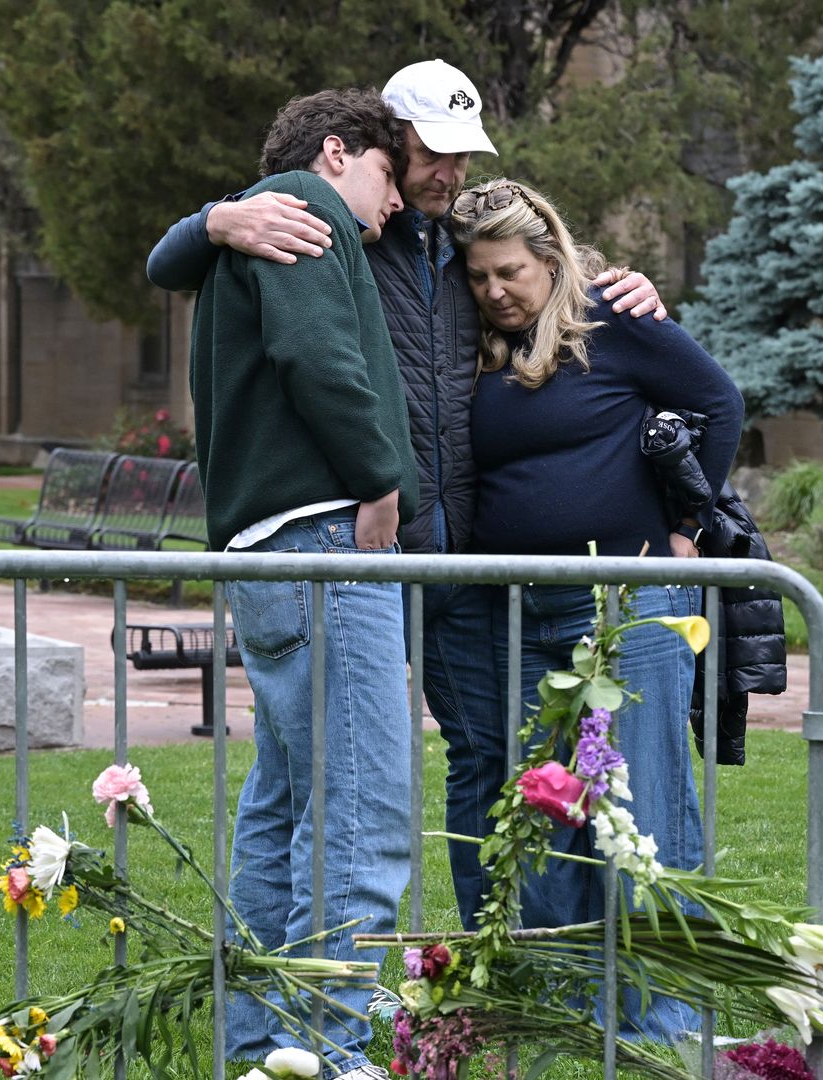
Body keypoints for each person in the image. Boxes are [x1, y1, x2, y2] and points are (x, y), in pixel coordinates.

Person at [147, 59, 669, 930]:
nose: (450, 175)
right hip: (367, 537)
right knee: (363, 782)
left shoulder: (456, 237)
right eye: (431, 156)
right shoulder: (334, 220)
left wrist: (630, 286)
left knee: (494, 756)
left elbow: (543, 276)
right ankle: (343, 1013)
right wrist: (215, 217)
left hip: (461, 546)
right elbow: (177, 266)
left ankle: (506, 953)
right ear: (383, 145)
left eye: (465, 157)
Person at [445, 177, 744, 1040]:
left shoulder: (617, 319)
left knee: (641, 801)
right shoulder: (469, 343)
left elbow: (719, 402)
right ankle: (564, 1006)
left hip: (626, 603)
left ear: (550, 259)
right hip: (515, 611)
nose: (495, 291)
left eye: (510, 272)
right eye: (479, 277)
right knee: (542, 804)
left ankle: (660, 1017)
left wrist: (688, 523)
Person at [186, 86, 413, 1080]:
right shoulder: (304, 212)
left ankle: (261, 1056)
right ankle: (325, 1056)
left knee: (285, 813)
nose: (397, 199)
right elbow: (317, 356)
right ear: (337, 151)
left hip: (267, 552)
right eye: (388, 172)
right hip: (322, 545)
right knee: (361, 817)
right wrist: (379, 480)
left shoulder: (251, 224)